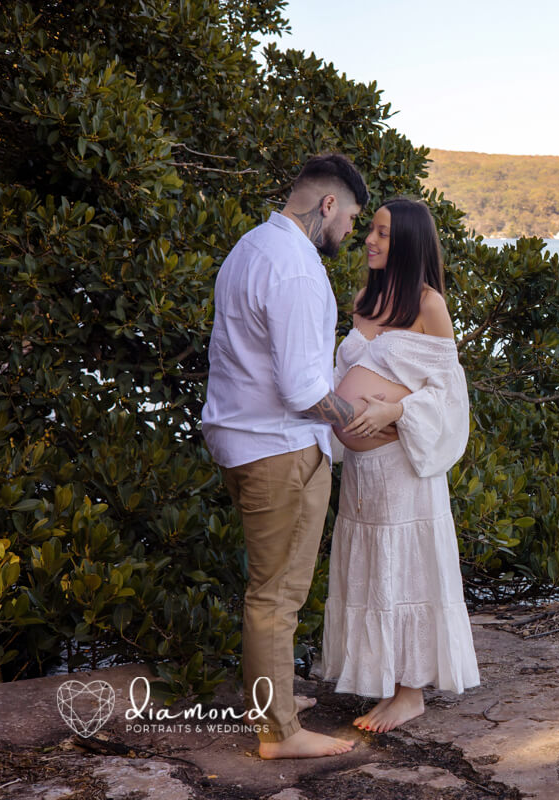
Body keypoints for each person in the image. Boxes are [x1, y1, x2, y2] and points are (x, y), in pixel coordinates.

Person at [202, 153, 375, 759]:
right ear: (328, 205)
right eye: (352, 216)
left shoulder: (252, 245)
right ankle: (279, 733)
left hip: (239, 440)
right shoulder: (299, 270)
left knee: (268, 588)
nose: (352, 230)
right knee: (276, 596)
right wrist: (366, 421)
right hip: (278, 449)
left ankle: (271, 700)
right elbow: (305, 392)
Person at [321, 196, 479, 732]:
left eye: (383, 233)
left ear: (407, 241)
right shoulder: (364, 298)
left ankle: (410, 694)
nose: (369, 238)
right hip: (362, 474)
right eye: (370, 229)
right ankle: (388, 683)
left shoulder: (429, 304)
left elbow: (450, 394)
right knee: (372, 572)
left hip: (402, 467)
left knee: (406, 569)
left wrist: (395, 409)